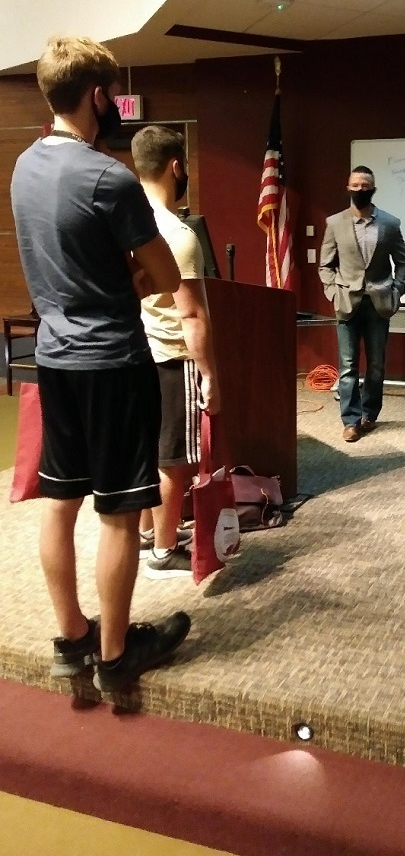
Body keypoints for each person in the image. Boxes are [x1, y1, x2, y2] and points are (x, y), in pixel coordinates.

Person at [10, 35, 192, 693]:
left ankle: (72, 638)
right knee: (117, 511)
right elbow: (168, 275)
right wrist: (131, 281)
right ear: (96, 96)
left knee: (59, 503)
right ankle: (117, 656)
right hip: (112, 362)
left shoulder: (24, 166)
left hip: (52, 360)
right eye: (110, 94)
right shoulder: (107, 175)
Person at [131, 125, 221, 580]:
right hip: (173, 356)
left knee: (150, 450)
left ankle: (150, 532)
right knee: (177, 459)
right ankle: (164, 553)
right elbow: (192, 315)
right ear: (176, 167)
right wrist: (209, 375)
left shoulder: (130, 221)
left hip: (138, 353)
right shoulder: (176, 233)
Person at [319, 165, 405, 442]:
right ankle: (350, 420)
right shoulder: (334, 223)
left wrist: (396, 290)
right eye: (355, 185)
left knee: (376, 365)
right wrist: (333, 292)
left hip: (379, 302)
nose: (360, 189)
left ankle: (369, 414)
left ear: (373, 188)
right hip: (347, 301)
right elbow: (326, 266)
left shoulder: (390, 223)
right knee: (347, 365)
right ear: (348, 188)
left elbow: (404, 265)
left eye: (365, 185)